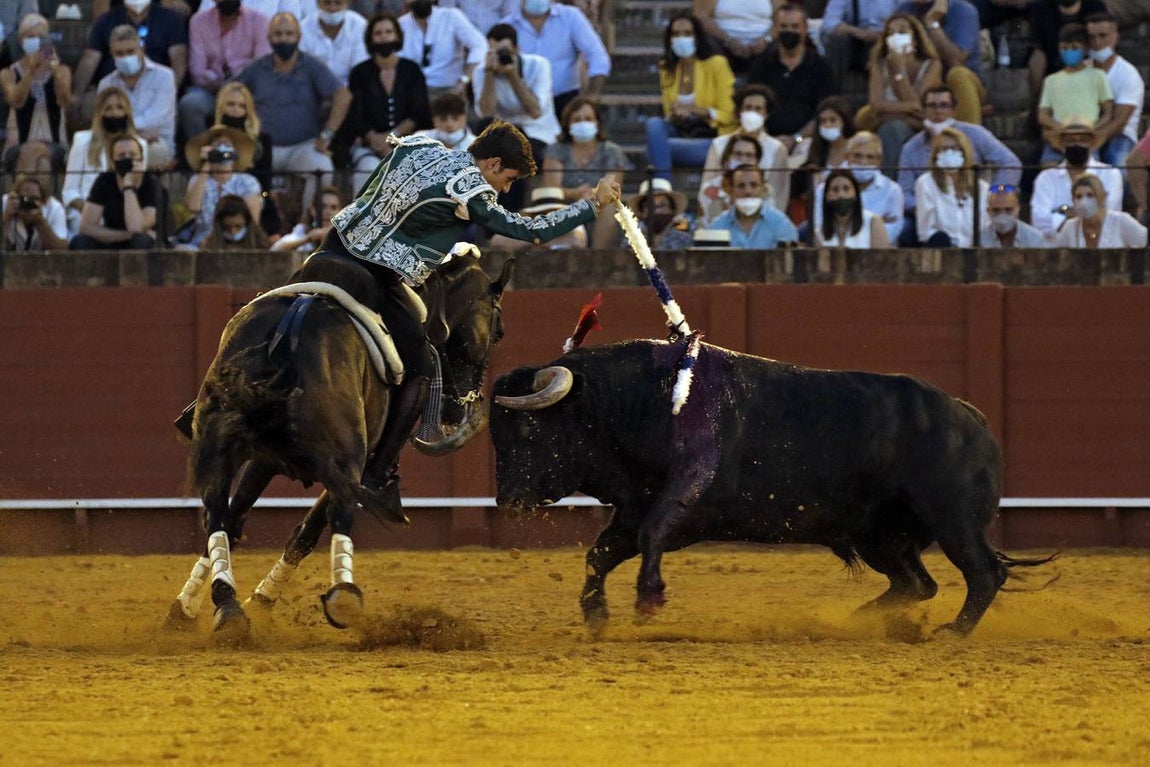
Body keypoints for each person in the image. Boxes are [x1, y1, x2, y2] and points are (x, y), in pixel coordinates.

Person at [316, 120, 620, 499]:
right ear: (491, 164)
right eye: (507, 179)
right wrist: (593, 204)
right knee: (419, 368)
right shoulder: (471, 189)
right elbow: (530, 231)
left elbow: (370, 191)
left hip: (331, 246)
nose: (505, 189)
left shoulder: (418, 146)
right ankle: (377, 474)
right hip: (377, 273)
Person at [232, 12, 350, 227]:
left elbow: (343, 95)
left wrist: (328, 134)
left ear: (298, 36)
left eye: (289, 34)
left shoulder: (311, 66)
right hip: (263, 147)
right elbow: (231, 91)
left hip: (303, 146)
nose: (284, 39)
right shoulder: (257, 68)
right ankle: (254, 231)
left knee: (322, 168)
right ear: (269, 37)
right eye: (278, 34)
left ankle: (305, 227)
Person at [338, 11, 431, 191]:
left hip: (406, 142)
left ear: (397, 35)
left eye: (388, 32)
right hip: (369, 144)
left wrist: (392, 138)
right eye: (378, 33)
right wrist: (375, 139)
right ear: (371, 39)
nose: (383, 37)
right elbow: (356, 114)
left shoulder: (411, 70)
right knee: (368, 172)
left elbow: (420, 112)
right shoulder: (360, 73)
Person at [897, 86, 1022, 215]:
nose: (938, 111)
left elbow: (1011, 163)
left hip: (974, 208)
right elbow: (904, 193)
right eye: (932, 106)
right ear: (924, 110)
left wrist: (993, 195)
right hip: (930, 211)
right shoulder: (910, 148)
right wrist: (931, 207)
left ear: (953, 110)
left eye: (944, 105)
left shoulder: (976, 134)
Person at [474, 22, 558, 211]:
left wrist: (512, 76)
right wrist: (489, 74)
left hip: (538, 134)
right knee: (491, 138)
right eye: (494, 52)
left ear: (517, 49)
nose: (500, 56)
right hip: (501, 136)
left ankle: (509, 215)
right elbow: (486, 113)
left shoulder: (539, 65)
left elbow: (535, 111)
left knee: (513, 154)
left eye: (504, 51)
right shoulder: (482, 71)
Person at [646, 12, 735, 181]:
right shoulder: (667, 68)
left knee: (654, 150)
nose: (681, 38)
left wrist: (696, 110)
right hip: (682, 130)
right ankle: (664, 189)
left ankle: (662, 190)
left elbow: (728, 113)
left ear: (697, 37)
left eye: (687, 33)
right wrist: (676, 113)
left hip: (712, 135)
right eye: (676, 34)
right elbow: (667, 112)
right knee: (654, 124)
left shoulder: (717, 64)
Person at [855, 13, 941, 175]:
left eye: (902, 32)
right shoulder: (879, 66)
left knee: (892, 127)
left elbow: (920, 108)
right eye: (891, 33)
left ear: (915, 40)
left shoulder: (932, 65)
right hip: (891, 126)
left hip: (921, 129)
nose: (896, 36)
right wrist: (909, 111)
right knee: (892, 129)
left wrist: (899, 71)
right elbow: (876, 106)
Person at [70, 0, 188, 119]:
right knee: (91, 104)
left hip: (154, 86)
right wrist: (77, 95)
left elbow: (179, 59)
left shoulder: (170, 20)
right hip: (113, 87)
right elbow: (90, 59)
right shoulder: (106, 20)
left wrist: (170, 90)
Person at [745, 3, 832, 156]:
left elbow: (824, 112)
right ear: (775, 29)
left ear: (805, 29)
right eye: (784, 26)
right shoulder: (761, 64)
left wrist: (795, 139)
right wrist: (768, 140)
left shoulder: (821, 67)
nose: (789, 31)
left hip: (806, 141)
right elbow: (751, 105)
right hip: (764, 140)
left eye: (795, 26)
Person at [179, 0, 271, 142]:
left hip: (248, 92)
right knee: (190, 104)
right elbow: (197, 70)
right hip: (212, 91)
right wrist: (218, 84)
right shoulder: (198, 21)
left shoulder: (259, 20)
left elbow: (260, 68)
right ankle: (201, 154)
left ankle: (252, 156)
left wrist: (234, 86)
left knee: (269, 100)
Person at [500, 0, 611, 118]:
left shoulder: (571, 17)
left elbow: (598, 56)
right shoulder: (506, 26)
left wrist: (592, 95)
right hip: (522, 104)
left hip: (565, 101)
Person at [62, 86, 143, 239]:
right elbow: (69, 192)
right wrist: (93, 211)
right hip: (86, 215)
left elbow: (140, 186)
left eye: (120, 108)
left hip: (125, 216)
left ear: (127, 113)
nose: (114, 113)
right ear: (100, 114)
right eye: (108, 109)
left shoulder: (139, 145)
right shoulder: (82, 141)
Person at [697, 83, 790, 215]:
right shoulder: (719, 144)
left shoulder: (777, 148)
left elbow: (780, 195)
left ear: (766, 114)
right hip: (722, 214)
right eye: (748, 108)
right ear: (739, 112)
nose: (752, 112)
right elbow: (706, 188)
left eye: (758, 109)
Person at [95, 25, 176, 167]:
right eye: (119, 53)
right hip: (115, 140)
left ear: (142, 49)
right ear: (112, 54)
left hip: (155, 142)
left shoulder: (164, 76)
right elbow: (103, 119)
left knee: (141, 152)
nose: (125, 57)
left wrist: (128, 131)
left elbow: (157, 116)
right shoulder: (106, 84)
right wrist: (130, 133)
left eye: (130, 51)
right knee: (93, 150)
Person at [1, 13, 72, 174]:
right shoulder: (8, 73)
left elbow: (65, 101)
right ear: (21, 41)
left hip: (55, 145)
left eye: (41, 37)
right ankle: (37, 198)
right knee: (36, 154)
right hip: (18, 144)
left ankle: (27, 197)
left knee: (41, 159)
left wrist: (55, 72)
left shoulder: (62, 71)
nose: (37, 41)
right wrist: (30, 71)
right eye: (31, 36)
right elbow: (16, 101)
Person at [895, 0, 986, 125]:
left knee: (958, 74)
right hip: (922, 83)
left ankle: (966, 139)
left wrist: (932, 23)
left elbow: (956, 59)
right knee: (866, 115)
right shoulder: (904, 10)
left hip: (963, 85)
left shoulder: (963, 10)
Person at [1030, 120, 1123, 240]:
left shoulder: (1110, 174)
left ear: (1092, 144)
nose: (1077, 145)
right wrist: (1079, 213)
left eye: (1083, 140)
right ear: (1062, 145)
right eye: (1071, 141)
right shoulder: (1046, 178)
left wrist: (1062, 211)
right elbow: (1039, 222)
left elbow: (1109, 214)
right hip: (1057, 249)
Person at [1036, 23, 1113, 164]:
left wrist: (1092, 129)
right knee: (1049, 167)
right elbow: (1043, 115)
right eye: (1064, 48)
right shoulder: (1051, 80)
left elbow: (1108, 112)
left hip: (1087, 139)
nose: (1069, 52)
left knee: (1090, 170)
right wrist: (1062, 128)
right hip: (1059, 138)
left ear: (1085, 49)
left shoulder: (1098, 76)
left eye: (1074, 48)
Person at [69, 132, 157, 250]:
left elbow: (136, 227)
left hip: (145, 245)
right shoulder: (105, 180)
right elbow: (86, 227)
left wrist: (128, 186)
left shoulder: (151, 183)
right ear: (112, 161)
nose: (127, 158)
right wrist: (127, 235)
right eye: (121, 155)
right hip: (113, 240)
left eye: (132, 155)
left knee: (140, 241)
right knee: (80, 242)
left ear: (141, 159)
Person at [180, 124, 262, 249]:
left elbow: (253, 220)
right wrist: (207, 163)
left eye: (227, 145)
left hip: (236, 242)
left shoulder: (247, 182)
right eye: (218, 145)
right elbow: (193, 207)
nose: (223, 149)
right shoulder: (197, 179)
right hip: (201, 242)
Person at [1084, 11, 1144, 171]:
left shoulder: (1128, 74)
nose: (1097, 42)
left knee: (1120, 168)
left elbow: (1119, 122)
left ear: (1115, 37)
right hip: (1084, 132)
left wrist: (1093, 140)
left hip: (1120, 135)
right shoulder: (1080, 70)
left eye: (1103, 36)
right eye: (1091, 37)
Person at [541, 96, 630, 203]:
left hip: (600, 207)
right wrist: (573, 193)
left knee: (611, 201)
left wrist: (594, 194)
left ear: (597, 123)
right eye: (577, 120)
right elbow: (552, 191)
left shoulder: (612, 151)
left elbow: (613, 188)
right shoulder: (556, 150)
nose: (582, 123)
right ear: (568, 124)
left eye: (588, 119)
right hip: (563, 209)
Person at [914, 126, 988, 247]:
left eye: (954, 148)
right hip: (942, 251)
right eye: (944, 149)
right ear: (935, 155)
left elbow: (986, 227)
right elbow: (925, 231)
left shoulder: (981, 187)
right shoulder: (925, 183)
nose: (949, 153)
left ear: (964, 153)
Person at [397, 0, 485, 99]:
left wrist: (464, 81)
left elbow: (480, 46)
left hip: (449, 90)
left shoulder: (451, 16)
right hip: (413, 91)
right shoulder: (401, 24)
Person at [1027, 0, 1107, 94]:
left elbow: (1101, 46)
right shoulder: (1041, 8)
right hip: (1053, 69)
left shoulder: (1095, 7)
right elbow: (1038, 50)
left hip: (1087, 68)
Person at [709, 164, 798, 248]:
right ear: (731, 191)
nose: (748, 191)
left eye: (754, 185)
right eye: (741, 186)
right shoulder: (717, 226)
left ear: (763, 189)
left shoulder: (781, 225)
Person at [839, 131, 905, 244]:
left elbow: (893, 230)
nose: (863, 162)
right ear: (846, 157)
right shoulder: (827, 188)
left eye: (870, 157)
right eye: (857, 156)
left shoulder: (893, 190)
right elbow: (821, 228)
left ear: (879, 161)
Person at [820, 0, 898, 89]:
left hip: (886, 38)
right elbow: (829, 23)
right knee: (836, 40)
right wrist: (860, 33)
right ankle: (832, 93)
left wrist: (883, 35)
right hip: (855, 40)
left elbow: (906, 19)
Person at [1052, 173, 1147, 248]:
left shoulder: (1120, 221)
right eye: (1079, 197)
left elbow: (1145, 241)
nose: (1084, 201)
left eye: (1090, 195)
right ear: (1073, 201)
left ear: (1102, 197)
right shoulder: (1070, 228)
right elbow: (1058, 259)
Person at [690, 0, 774, 76]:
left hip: (764, 44)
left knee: (777, 48)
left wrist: (766, 40)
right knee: (707, 46)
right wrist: (728, 41)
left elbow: (781, 18)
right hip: (721, 42)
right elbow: (701, 17)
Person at [488, 186, 587, 249]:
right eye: (542, 213)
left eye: (553, 213)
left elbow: (577, 242)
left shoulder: (573, 225)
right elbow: (496, 240)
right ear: (532, 215)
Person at [697, 133, 763, 227]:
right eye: (737, 154)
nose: (743, 159)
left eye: (749, 155)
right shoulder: (710, 189)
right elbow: (707, 225)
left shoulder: (765, 189)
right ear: (727, 157)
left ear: (757, 161)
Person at [815, 168, 890, 249]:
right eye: (835, 189)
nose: (841, 195)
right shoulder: (818, 232)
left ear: (856, 194)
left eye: (846, 189)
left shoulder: (873, 222)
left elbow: (883, 259)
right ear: (826, 196)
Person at [299, 0, 369, 85]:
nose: (332, 8)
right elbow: (302, 71)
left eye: (338, 3)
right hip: (314, 91)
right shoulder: (303, 28)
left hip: (351, 89)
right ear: (318, 3)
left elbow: (360, 69)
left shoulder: (359, 26)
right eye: (327, 2)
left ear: (347, 3)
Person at [2, 171, 68, 251]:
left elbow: (62, 250)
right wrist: (6, 217)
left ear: (43, 200)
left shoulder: (54, 208)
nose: (28, 202)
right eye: (25, 198)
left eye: (34, 198)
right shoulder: (6, 203)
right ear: (17, 196)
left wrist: (41, 222)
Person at [271, 184, 343, 251]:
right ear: (313, 210)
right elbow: (275, 249)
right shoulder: (303, 230)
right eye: (323, 207)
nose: (328, 212)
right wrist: (308, 239)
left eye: (333, 208)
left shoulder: (344, 234)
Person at [978, 184, 1046, 247]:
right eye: (996, 210)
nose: (1002, 215)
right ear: (988, 211)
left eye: (1008, 209)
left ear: (1018, 209)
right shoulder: (978, 239)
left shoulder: (1035, 239)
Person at [200, 193, 272, 250]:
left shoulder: (262, 244)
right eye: (226, 227)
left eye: (238, 226)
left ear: (247, 222)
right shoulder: (208, 247)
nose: (233, 232)